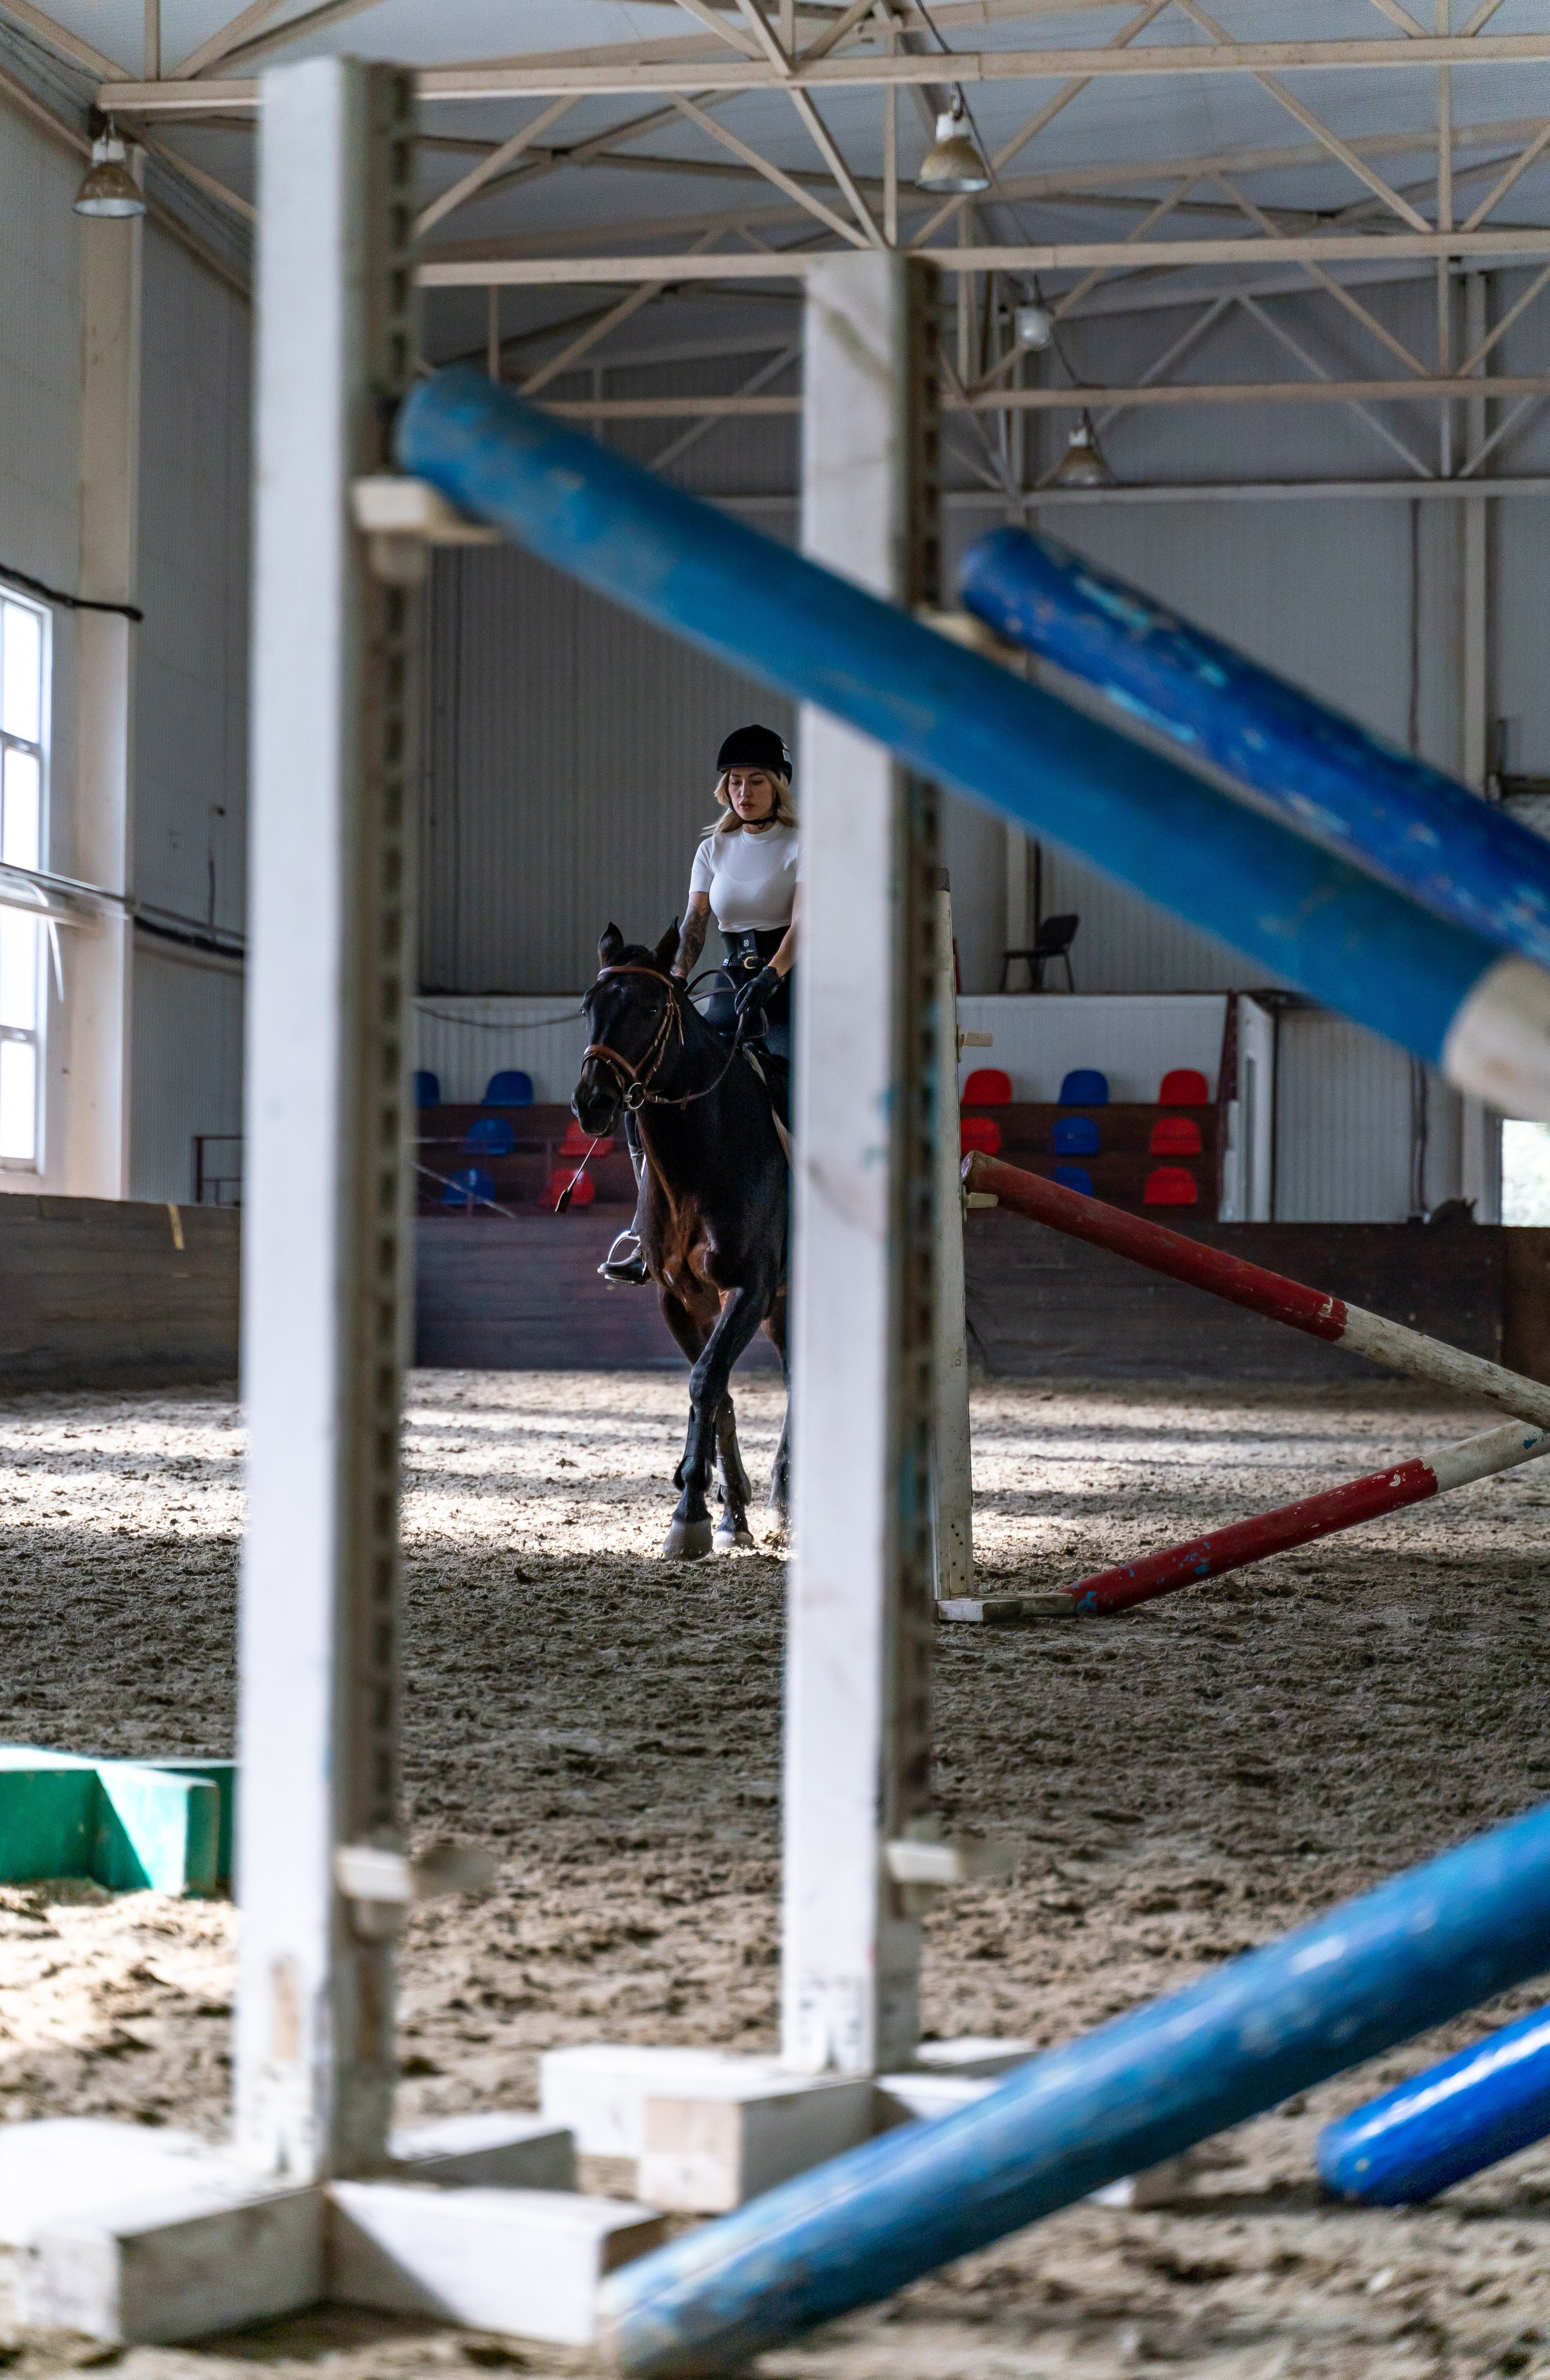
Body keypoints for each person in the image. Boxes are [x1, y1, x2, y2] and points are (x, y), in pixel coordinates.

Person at [599, 724, 798, 1286]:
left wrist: (776, 975)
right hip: (730, 981)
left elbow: (805, 923)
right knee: (658, 1083)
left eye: (755, 780)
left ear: (778, 785)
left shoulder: (802, 844)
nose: (743, 791)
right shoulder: (713, 848)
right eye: (734, 781)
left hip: (791, 985)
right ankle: (645, 1232)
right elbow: (695, 923)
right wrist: (677, 978)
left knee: (800, 1093)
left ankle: (816, 1223)